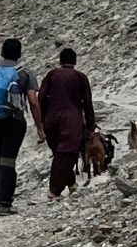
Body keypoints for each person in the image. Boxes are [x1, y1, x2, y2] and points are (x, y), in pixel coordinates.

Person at [0, 37, 38, 214]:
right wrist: (40, 127)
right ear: (19, 53)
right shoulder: (24, 73)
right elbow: (33, 101)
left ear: (2, 51)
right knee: (8, 160)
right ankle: (4, 202)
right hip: (13, 122)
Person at [37, 45, 96, 200]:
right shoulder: (80, 77)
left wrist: (41, 120)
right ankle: (54, 191)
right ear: (75, 61)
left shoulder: (51, 75)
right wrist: (90, 126)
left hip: (51, 120)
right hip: (72, 121)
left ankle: (71, 184)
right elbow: (88, 104)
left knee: (58, 153)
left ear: (60, 61)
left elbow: (41, 98)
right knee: (66, 155)